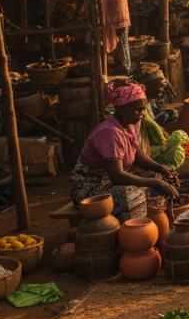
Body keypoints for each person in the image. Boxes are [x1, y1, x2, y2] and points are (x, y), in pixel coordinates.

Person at [70, 80, 179, 221]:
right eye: (138, 109)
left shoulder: (129, 123)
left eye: (143, 109)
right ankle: (131, 229)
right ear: (121, 109)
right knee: (135, 195)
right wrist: (154, 183)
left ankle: (158, 221)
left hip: (109, 181)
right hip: (90, 189)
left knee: (161, 176)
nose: (142, 113)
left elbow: (137, 155)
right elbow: (117, 176)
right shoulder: (110, 132)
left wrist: (160, 168)